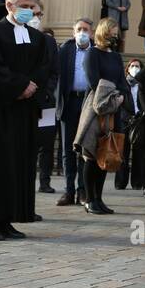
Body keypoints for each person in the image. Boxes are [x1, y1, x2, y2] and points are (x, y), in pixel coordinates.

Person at [0, 0, 54, 240]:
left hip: (24, 109)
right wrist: (19, 86)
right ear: (10, 5)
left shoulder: (38, 37)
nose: (30, 12)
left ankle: (9, 219)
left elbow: (44, 66)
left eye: (33, 8)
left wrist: (31, 87)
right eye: (26, 7)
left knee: (19, 163)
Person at [74, 18, 131, 215]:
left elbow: (122, 80)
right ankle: (89, 199)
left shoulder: (115, 56)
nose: (114, 36)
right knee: (91, 154)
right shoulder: (92, 53)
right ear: (103, 32)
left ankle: (99, 198)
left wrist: (121, 97)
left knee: (106, 152)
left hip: (114, 109)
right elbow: (93, 81)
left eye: (116, 32)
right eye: (112, 32)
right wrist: (112, 96)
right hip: (96, 109)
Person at [53, 18, 96, 206]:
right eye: (79, 29)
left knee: (84, 148)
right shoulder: (65, 50)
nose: (82, 32)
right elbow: (55, 74)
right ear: (73, 32)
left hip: (88, 104)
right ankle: (69, 191)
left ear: (92, 32)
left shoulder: (96, 52)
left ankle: (82, 191)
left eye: (86, 29)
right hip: (69, 102)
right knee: (67, 150)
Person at [119, 56, 145, 197]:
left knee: (140, 154)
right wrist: (127, 117)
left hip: (142, 120)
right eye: (132, 65)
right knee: (123, 153)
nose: (135, 68)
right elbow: (120, 102)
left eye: (137, 66)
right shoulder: (123, 83)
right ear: (127, 68)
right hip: (126, 121)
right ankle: (121, 182)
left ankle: (137, 182)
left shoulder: (143, 83)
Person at [34, 22, 60, 194]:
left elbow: (54, 72)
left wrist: (47, 91)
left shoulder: (52, 48)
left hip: (47, 103)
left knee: (47, 144)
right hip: (26, 100)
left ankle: (45, 181)